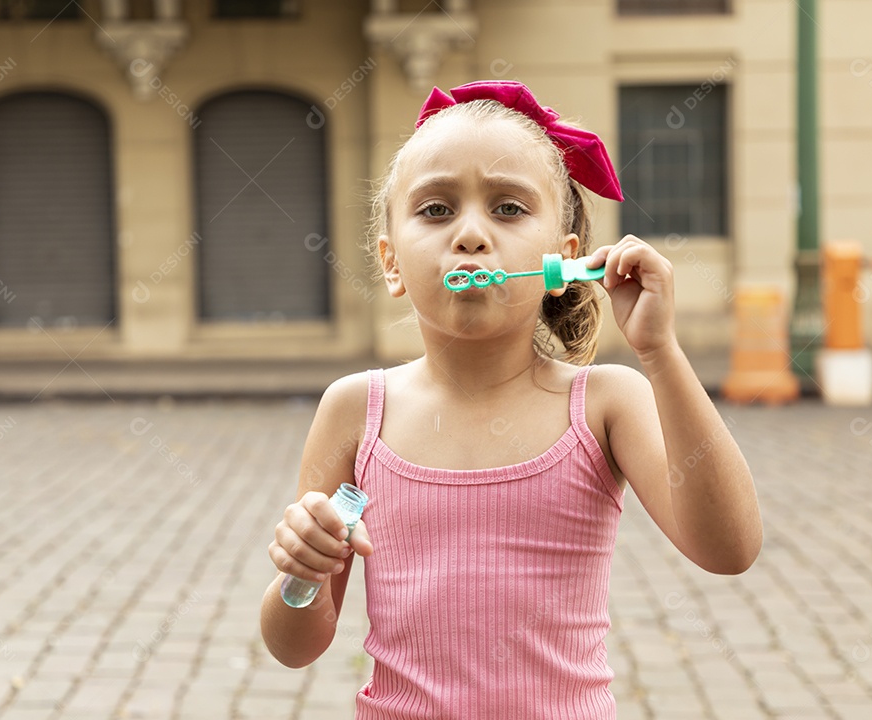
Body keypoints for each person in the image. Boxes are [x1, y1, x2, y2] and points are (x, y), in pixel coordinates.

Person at [260, 80, 763, 718]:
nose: (470, 234)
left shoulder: (605, 403)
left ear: (564, 261)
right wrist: (300, 573)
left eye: (508, 208)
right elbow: (294, 648)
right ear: (391, 263)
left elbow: (730, 549)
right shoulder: (354, 410)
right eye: (436, 209)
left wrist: (660, 352)